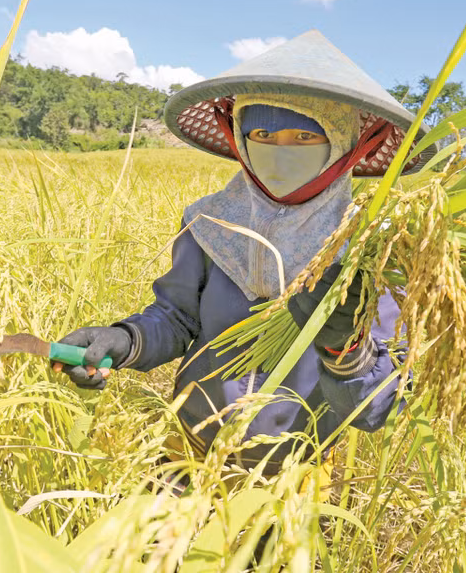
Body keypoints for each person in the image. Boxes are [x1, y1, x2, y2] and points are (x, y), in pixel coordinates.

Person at [52, 30, 434, 476]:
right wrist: (126, 339)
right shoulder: (209, 223)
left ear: (345, 143)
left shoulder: (371, 248)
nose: (279, 153)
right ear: (238, 137)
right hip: (188, 447)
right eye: (262, 133)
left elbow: (378, 408)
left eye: (304, 136)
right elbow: (177, 319)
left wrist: (347, 348)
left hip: (296, 472)